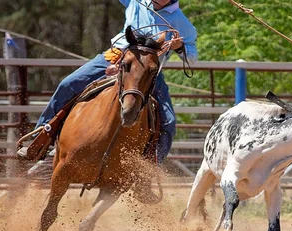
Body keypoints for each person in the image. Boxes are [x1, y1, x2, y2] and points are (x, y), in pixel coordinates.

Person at [18, 0, 197, 165]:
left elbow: (192, 57)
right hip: (116, 56)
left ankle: (148, 169)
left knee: (168, 122)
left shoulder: (180, 22)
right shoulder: (137, 1)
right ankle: (41, 137)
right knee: (68, 84)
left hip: (147, 73)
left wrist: (180, 47)